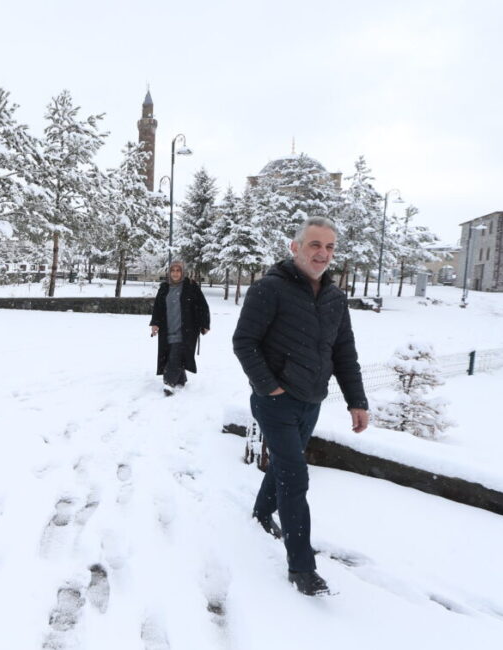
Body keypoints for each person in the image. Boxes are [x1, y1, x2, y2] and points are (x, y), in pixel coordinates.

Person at [232, 217, 369, 596]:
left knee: (283, 465)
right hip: (275, 402)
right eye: (314, 245)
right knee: (295, 477)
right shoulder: (268, 290)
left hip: (312, 401)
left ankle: (261, 512)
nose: (322, 254)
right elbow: (244, 342)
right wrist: (269, 387)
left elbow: (344, 352)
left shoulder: (335, 298)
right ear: (295, 247)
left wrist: (356, 401)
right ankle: (302, 568)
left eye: (329, 247)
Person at [149, 260, 210, 395]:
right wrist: (155, 323)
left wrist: (205, 324)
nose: (175, 273)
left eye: (178, 270)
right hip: (167, 328)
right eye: (173, 270)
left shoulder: (190, 286)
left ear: (182, 272)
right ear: (169, 272)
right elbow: (158, 308)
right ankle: (181, 379)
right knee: (170, 353)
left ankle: (169, 382)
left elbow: (202, 306)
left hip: (186, 329)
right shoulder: (164, 287)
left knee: (176, 354)